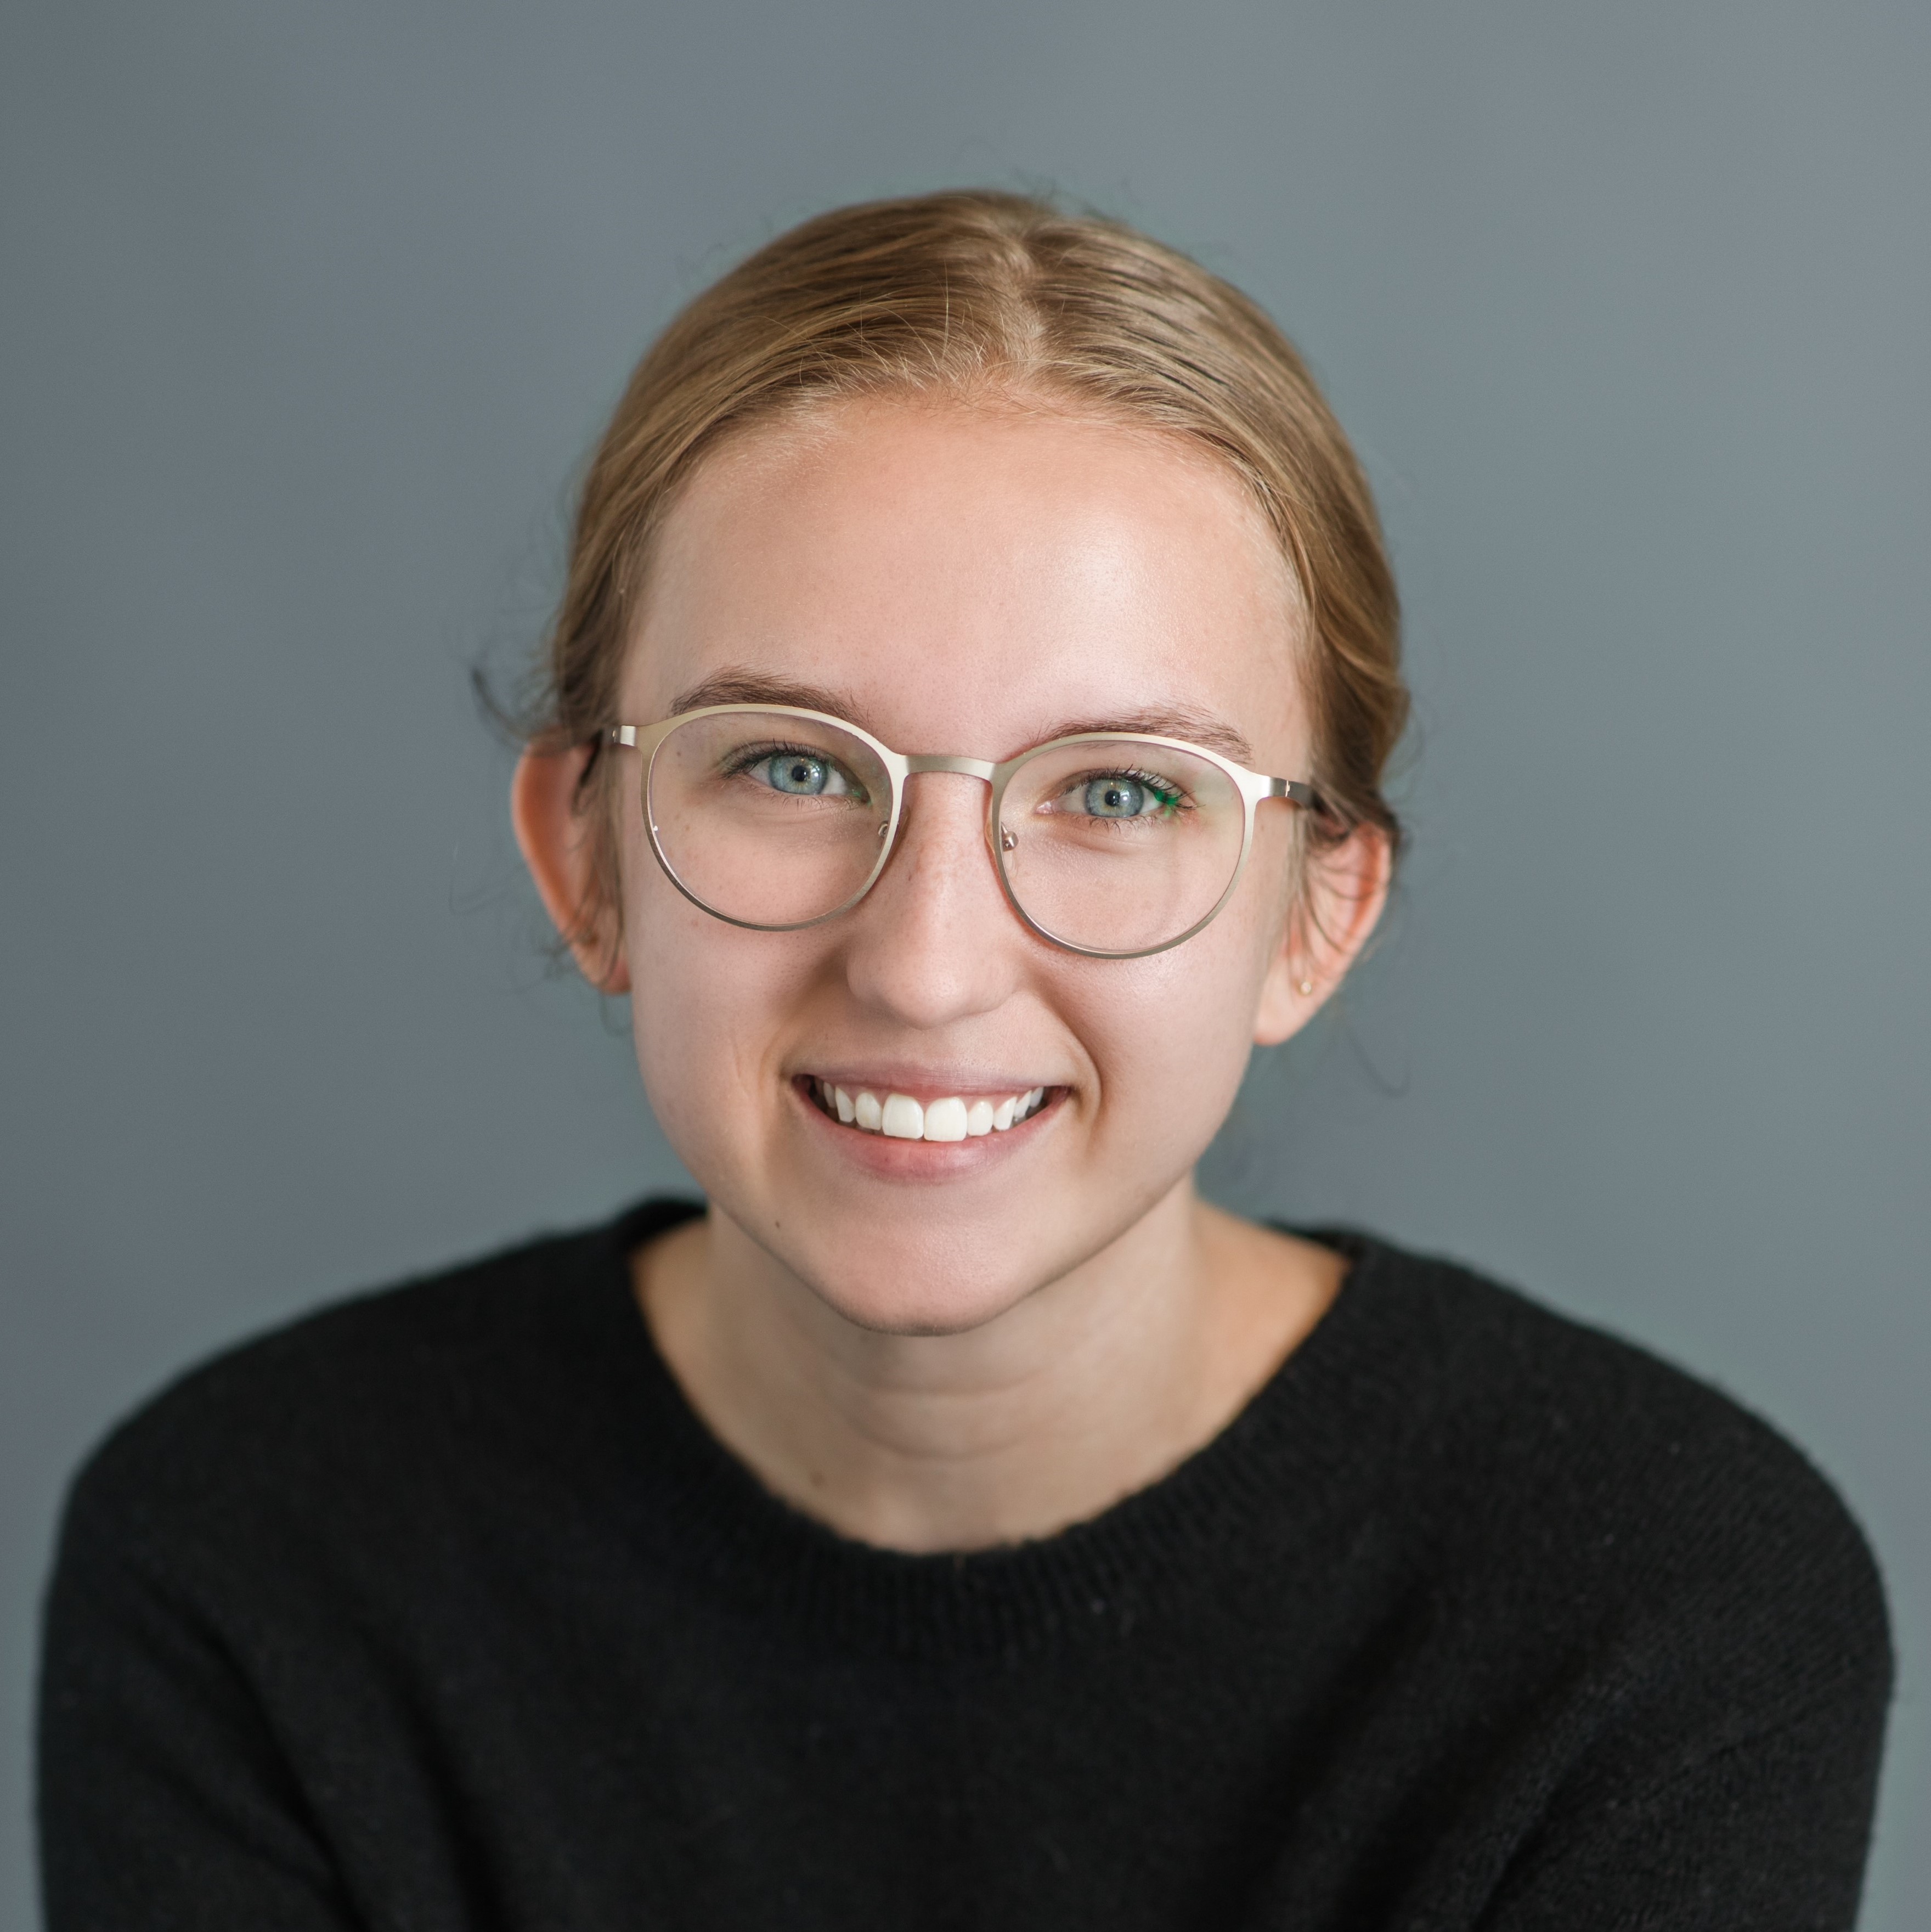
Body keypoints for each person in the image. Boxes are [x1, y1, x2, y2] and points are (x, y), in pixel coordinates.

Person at [37, 190, 1891, 1930]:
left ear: (1315, 916)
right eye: (790, 764)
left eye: (1117, 793)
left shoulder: (1656, 1608)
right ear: (587, 855)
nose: (926, 965)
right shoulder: (252, 1565)